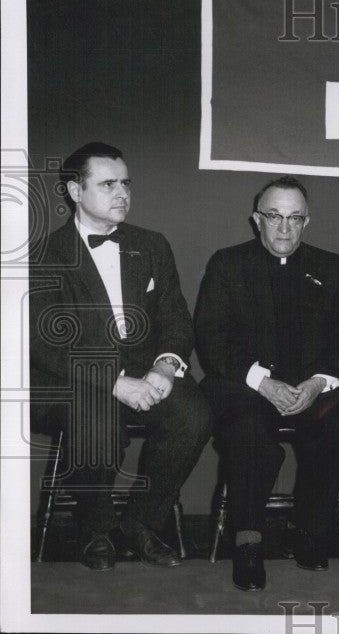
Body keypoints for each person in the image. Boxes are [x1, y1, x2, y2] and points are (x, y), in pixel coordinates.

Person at [30, 142, 211, 571]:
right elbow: (45, 343)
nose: (122, 193)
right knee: (96, 416)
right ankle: (96, 529)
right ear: (75, 191)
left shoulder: (151, 245)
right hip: (67, 380)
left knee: (195, 413)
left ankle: (141, 524)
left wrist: (166, 365)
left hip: (143, 370)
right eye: (108, 183)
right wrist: (115, 381)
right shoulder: (43, 254)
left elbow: (175, 316)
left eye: (125, 183)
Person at [194, 176, 339, 591]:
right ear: (257, 220)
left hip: (313, 389)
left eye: (294, 218)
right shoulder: (227, 263)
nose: (284, 228)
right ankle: (249, 541)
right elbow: (211, 340)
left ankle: (308, 529)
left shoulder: (333, 267)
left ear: (307, 221)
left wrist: (315, 384)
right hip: (245, 388)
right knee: (249, 431)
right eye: (274, 217)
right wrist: (263, 383)